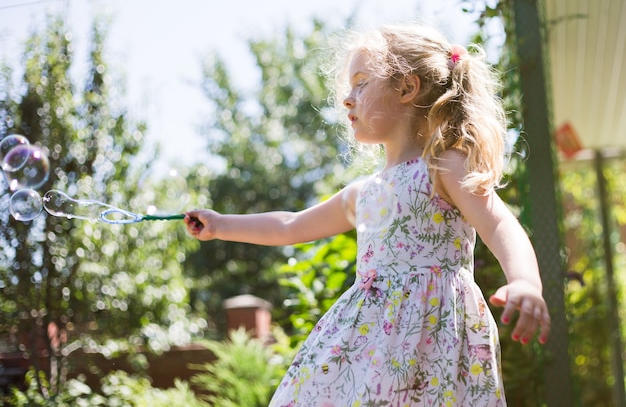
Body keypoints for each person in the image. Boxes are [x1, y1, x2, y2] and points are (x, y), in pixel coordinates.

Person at [184, 22, 550, 406]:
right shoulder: (364, 193)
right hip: (369, 339)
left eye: (361, 83)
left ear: (407, 88)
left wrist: (525, 281)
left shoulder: (444, 166)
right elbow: (291, 224)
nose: (347, 98)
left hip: (432, 334)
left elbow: (499, 222)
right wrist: (222, 225)